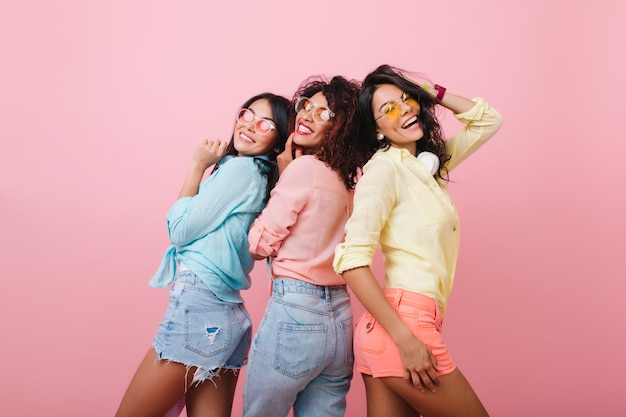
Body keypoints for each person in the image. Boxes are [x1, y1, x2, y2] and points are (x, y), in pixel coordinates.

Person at [333, 64, 504, 417]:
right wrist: (405, 339)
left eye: (407, 99)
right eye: (388, 109)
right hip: (403, 326)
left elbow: (488, 121)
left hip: (396, 326)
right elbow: (352, 261)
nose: (406, 109)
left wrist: (432, 91)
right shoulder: (383, 170)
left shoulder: (428, 167)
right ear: (377, 130)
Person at [115, 92, 292, 417]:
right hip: (227, 319)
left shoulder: (242, 171)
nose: (250, 125)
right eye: (247, 114)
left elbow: (180, 230)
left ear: (278, 141)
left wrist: (197, 165)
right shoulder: (261, 177)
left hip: (200, 309)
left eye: (265, 124)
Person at [242, 75, 378, 417]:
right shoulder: (351, 185)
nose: (306, 116)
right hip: (341, 320)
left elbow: (258, 244)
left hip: (296, 313)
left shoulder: (303, 169)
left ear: (341, 128)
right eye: (307, 107)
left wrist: (284, 173)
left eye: (324, 114)